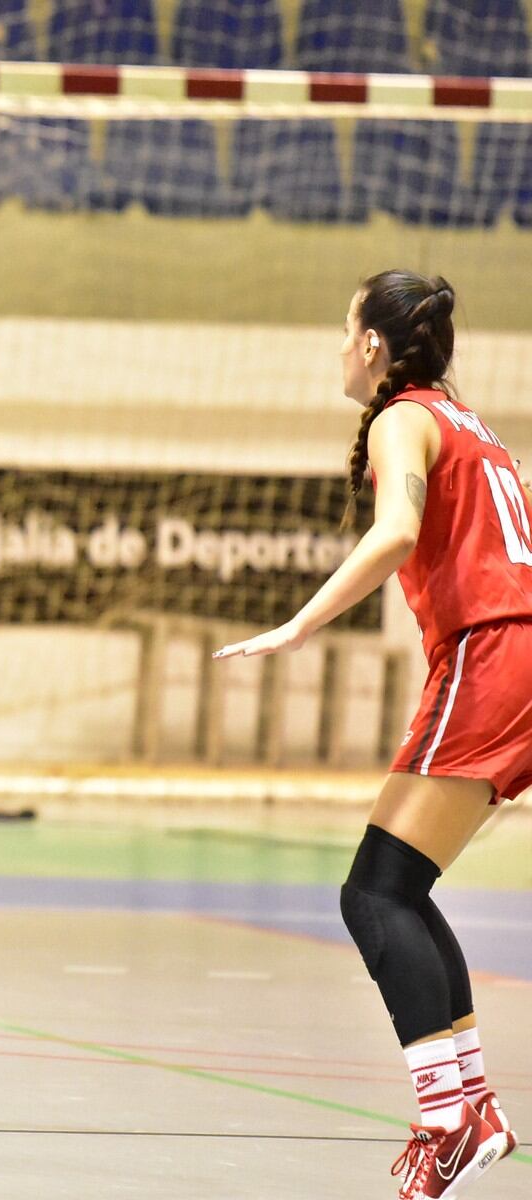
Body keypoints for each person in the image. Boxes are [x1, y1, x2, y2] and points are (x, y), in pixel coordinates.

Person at [215, 270, 521, 1198]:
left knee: (374, 896)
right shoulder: (472, 423)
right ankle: (476, 1108)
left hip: (493, 652)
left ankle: (447, 1121)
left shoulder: (405, 418)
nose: (340, 343)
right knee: (402, 887)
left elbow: (396, 531)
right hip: (510, 656)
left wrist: (300, 624)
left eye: (346, 326)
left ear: (376, 345)